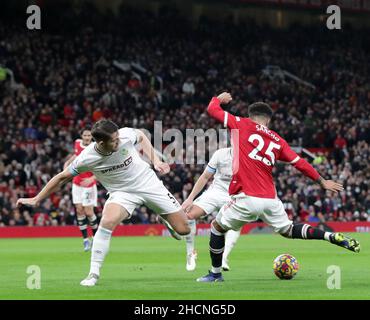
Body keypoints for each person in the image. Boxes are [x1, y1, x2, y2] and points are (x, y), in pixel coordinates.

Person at [197, 92, 360, 282]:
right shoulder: (277, 140)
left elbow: (212, 110)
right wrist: (322, 181)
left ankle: (215, 274)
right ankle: (329, 236)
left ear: (252, 116)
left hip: (246, 197)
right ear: (268, 121)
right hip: (270, 199)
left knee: (216, 227)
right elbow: (299, 163)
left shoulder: (241, 124)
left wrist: (219, 99)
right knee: (288, 229)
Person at [17, 119, 190, 287]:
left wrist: (156, 160)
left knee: (184, 229)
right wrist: (36, 199)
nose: (118, 141)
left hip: (148, 183)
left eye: (117, 137)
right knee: (107, 221)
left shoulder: (124, 135)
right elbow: (62, 177)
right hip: (122, 193)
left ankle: (163, 218)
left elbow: (141, 136)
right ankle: (93, 273)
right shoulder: (87, 158)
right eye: (114, 141)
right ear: (100, 142)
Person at [182, 147, 240, 271]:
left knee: (234, 225)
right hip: (215, 192)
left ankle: (224, 257)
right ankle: (190, 252)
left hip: (234, 195)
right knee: (188, 215)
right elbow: (204, 177)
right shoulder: (220, 154)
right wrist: (190, 198)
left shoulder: (249, 157)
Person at [63, 127, 98, 251]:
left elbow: (102, 166)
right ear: (82, 136)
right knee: (79, 210)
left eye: (89, 135)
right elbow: (76, 154)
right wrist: (68, 162)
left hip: (88, 185)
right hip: (77, 183)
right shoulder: (77, 143)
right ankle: (85, 240)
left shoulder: (95, 147)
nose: (87, 138)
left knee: (89, 212)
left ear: (92, 136)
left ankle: (95, 239)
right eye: (85, 135)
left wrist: (92, 178)